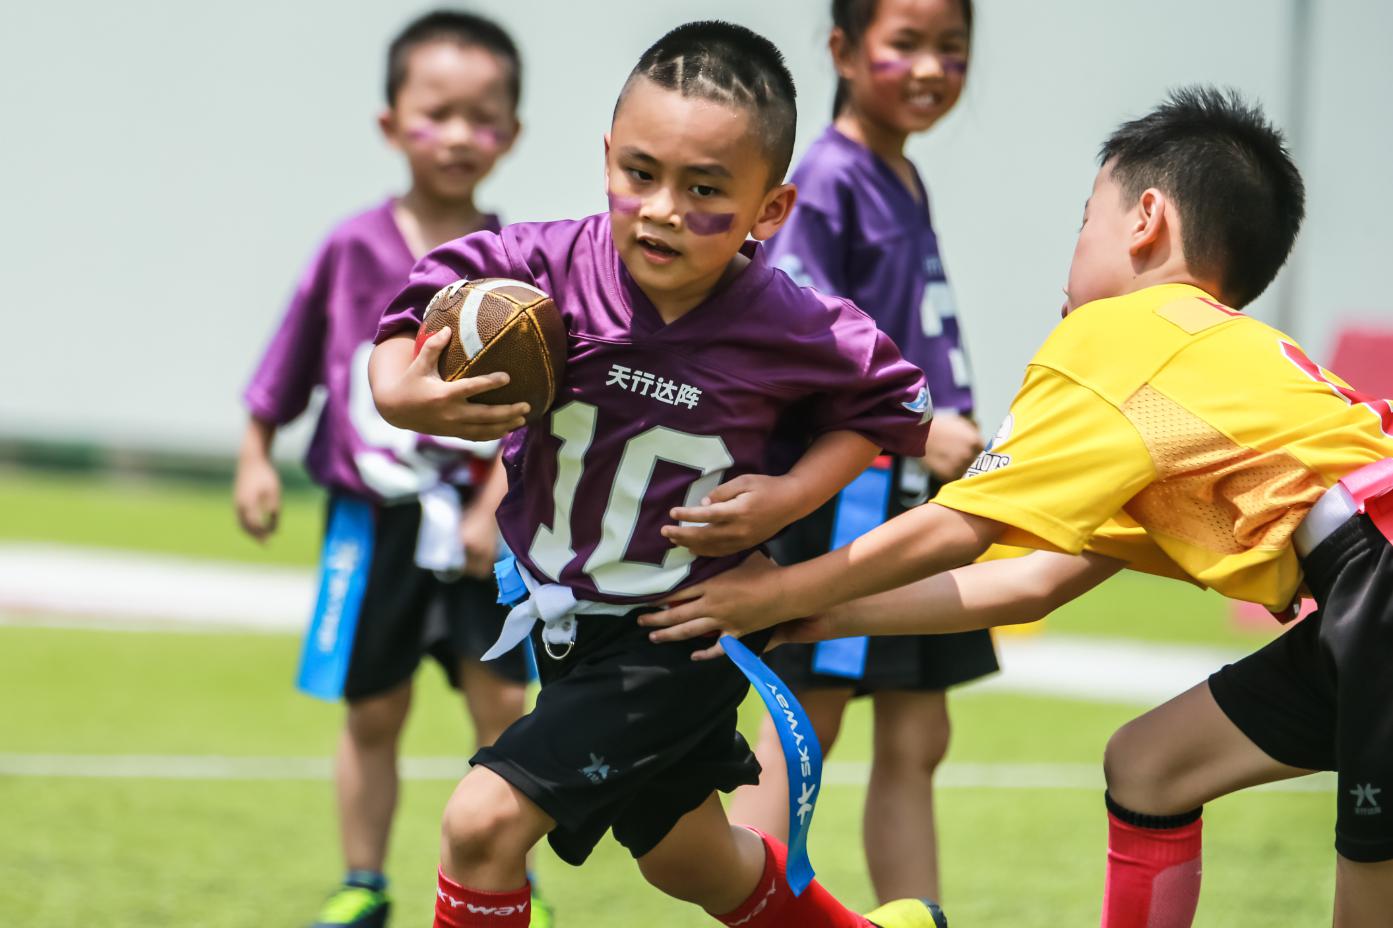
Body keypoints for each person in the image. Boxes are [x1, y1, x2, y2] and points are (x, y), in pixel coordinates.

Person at [644, 85, 1393, 926]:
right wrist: (817, 618)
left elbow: (958, 526)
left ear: (1144, 219)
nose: (1072, 246)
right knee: (1151, 765)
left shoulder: (1120, 337)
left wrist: (778, 592)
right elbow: (1030, 583)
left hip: (1377, 592)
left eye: (1085, 219)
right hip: (1357, 598)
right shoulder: (1209, 372)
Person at [369, 19, 952, 928]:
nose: (662, 209)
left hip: (680, 632)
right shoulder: (543, 267)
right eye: (639, 174)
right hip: (565, 626)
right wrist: (399, 396)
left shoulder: (794, 323)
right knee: (690, 861)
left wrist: (791, 497)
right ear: (606, 155)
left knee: (481, 825)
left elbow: (896, 411)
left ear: (770, 210)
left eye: (705, 188)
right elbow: (414, 306)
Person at [233, 11, 549, 927]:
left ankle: (508, 879)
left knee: (502, 705)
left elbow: (547, 411)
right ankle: (363, 883)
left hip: (489, 534)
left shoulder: (520, 269)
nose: (458, 135)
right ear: (390, 122)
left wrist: (499, 494)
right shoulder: (349, 248)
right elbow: (285, 370)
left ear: (513, 136)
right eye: (435, 112)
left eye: (482, 117)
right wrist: (256, 457)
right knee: (372, 711)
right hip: (371, 524)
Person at [732, 0, 995, 905]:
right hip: (855, 492)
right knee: (805, 723)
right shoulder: (829, 177)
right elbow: (806, 340)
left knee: (919, 738)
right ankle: (754, 909)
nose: (931, 67)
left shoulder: (901, 174)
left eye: (951, 48)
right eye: (906, 44)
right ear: (843, 50)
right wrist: (920, 426)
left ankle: (918, 917)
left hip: (914, 498)